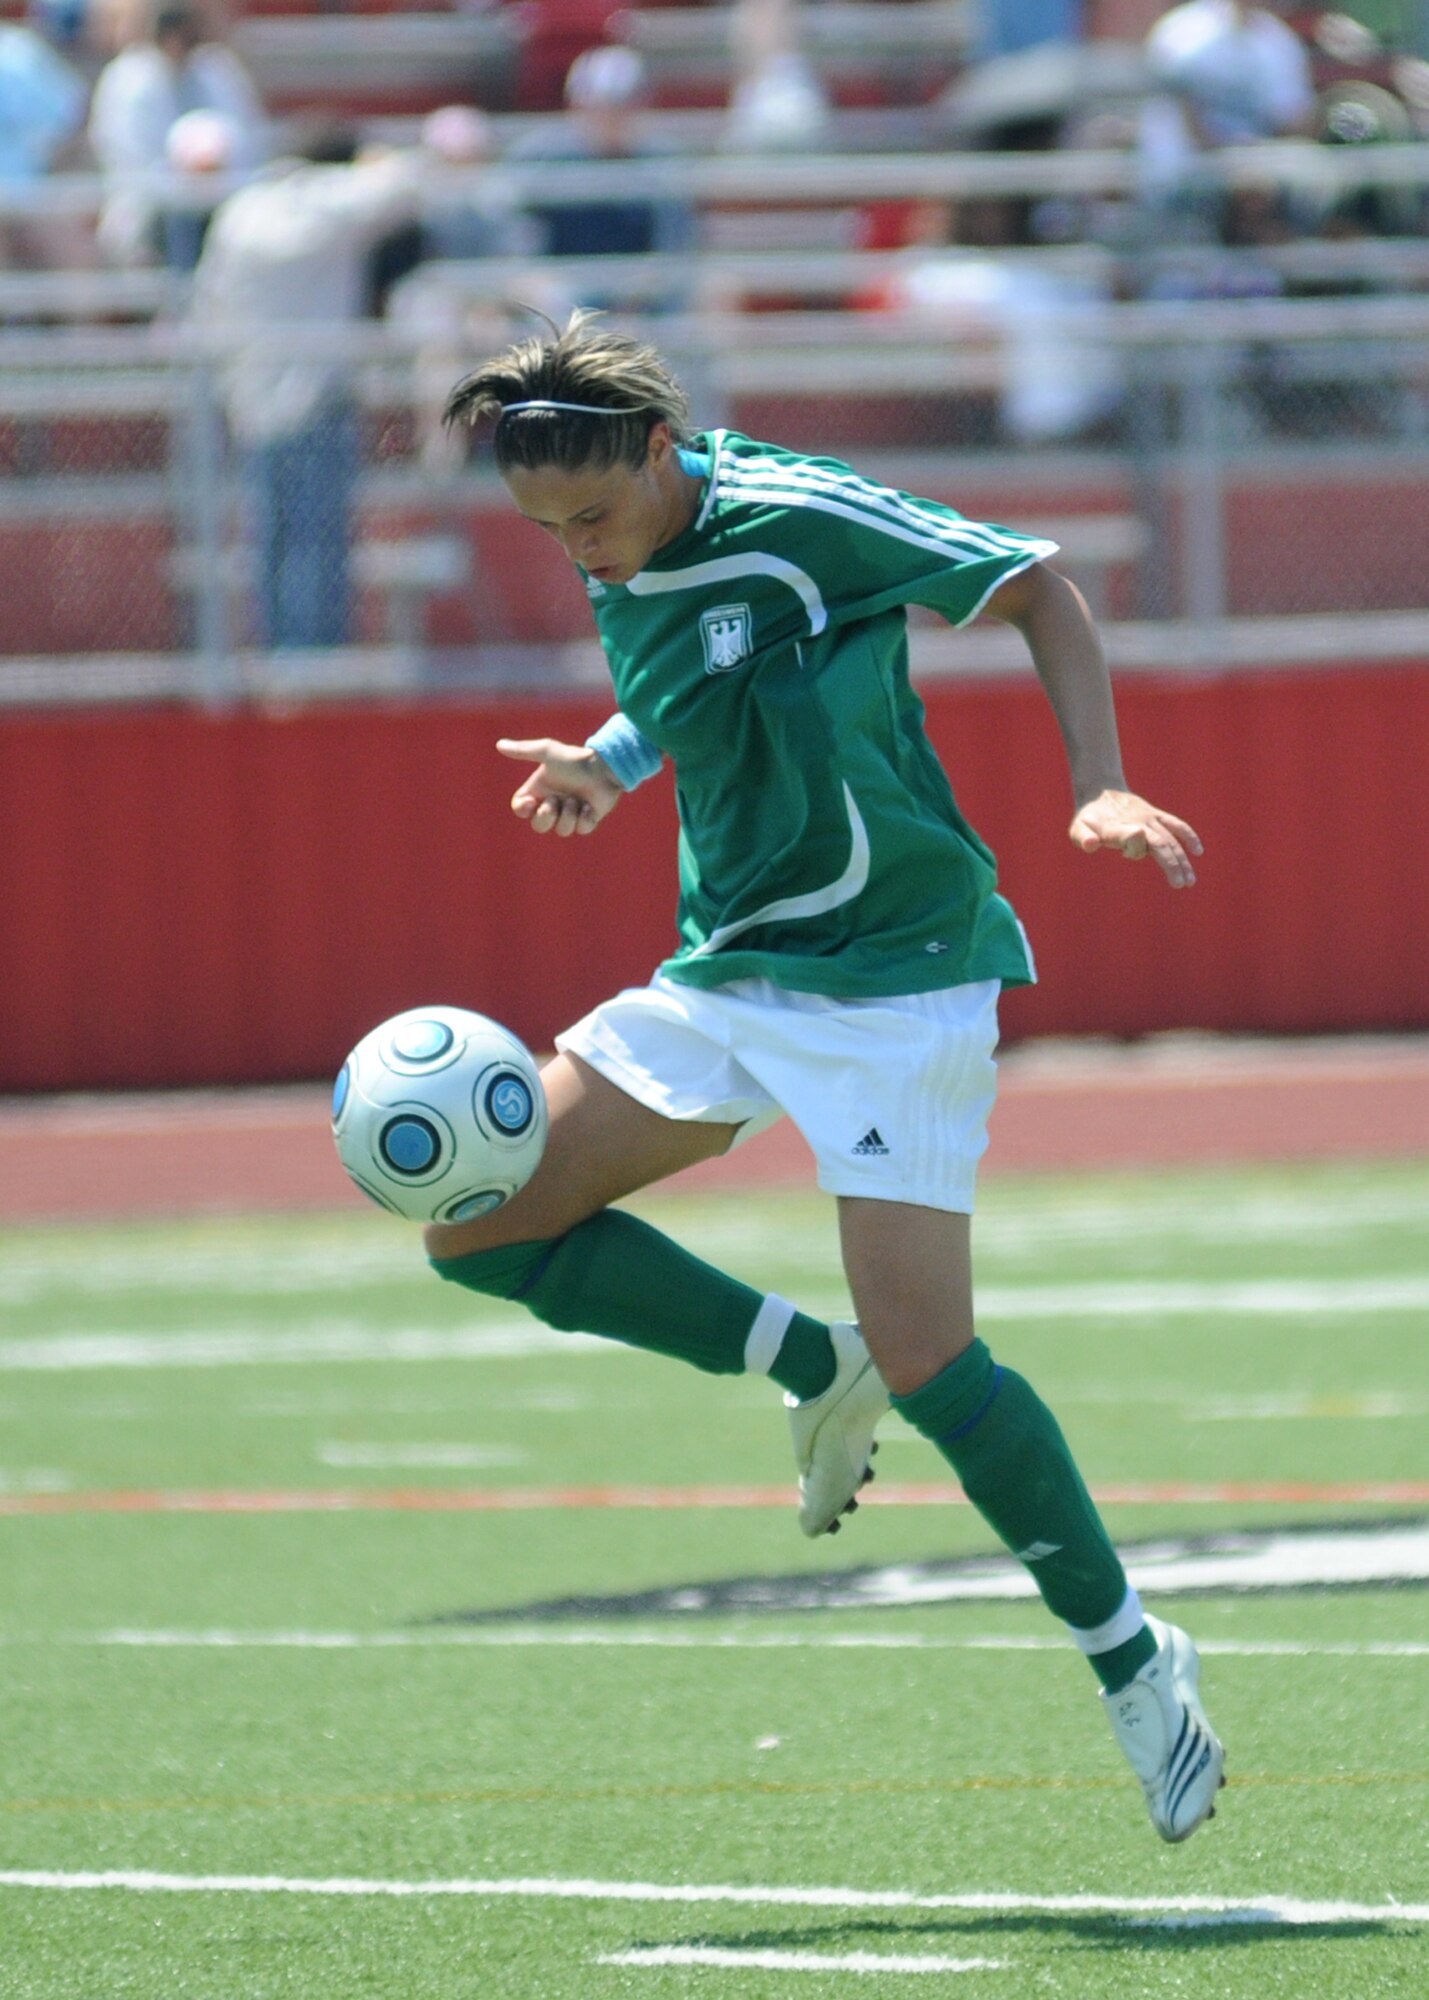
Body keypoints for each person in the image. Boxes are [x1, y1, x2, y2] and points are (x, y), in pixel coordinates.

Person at [426, 311, 1226, 1845]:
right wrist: (611, 755)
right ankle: (811, 1365)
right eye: (547, 531)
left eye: (593, 515)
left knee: (937, 1363)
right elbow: (691, 665)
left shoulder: (802, 513)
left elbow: (1035, 586)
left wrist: (1100, 782)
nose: (579, 552)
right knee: (479, 1227)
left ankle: (1134, 1659)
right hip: (729, 965)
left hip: (897, 978)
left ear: (661, 451)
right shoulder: (619, 543)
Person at [190, 123, 421, 648]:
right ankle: (312, 665)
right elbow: (405, 185)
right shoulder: (326, 201)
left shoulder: (241, 210)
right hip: (316, 401)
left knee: (272, 542)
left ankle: (282, 662)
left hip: (251, 401)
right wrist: (374, 158)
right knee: (318, 543)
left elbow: (209, 303)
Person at [88, 0, 266, 268]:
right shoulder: (128, 78)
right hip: (152, 215)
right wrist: (185, 174)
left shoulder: (218, 70)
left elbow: (248, 139)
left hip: (225, 204)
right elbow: (129, 160)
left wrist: (215, 168)